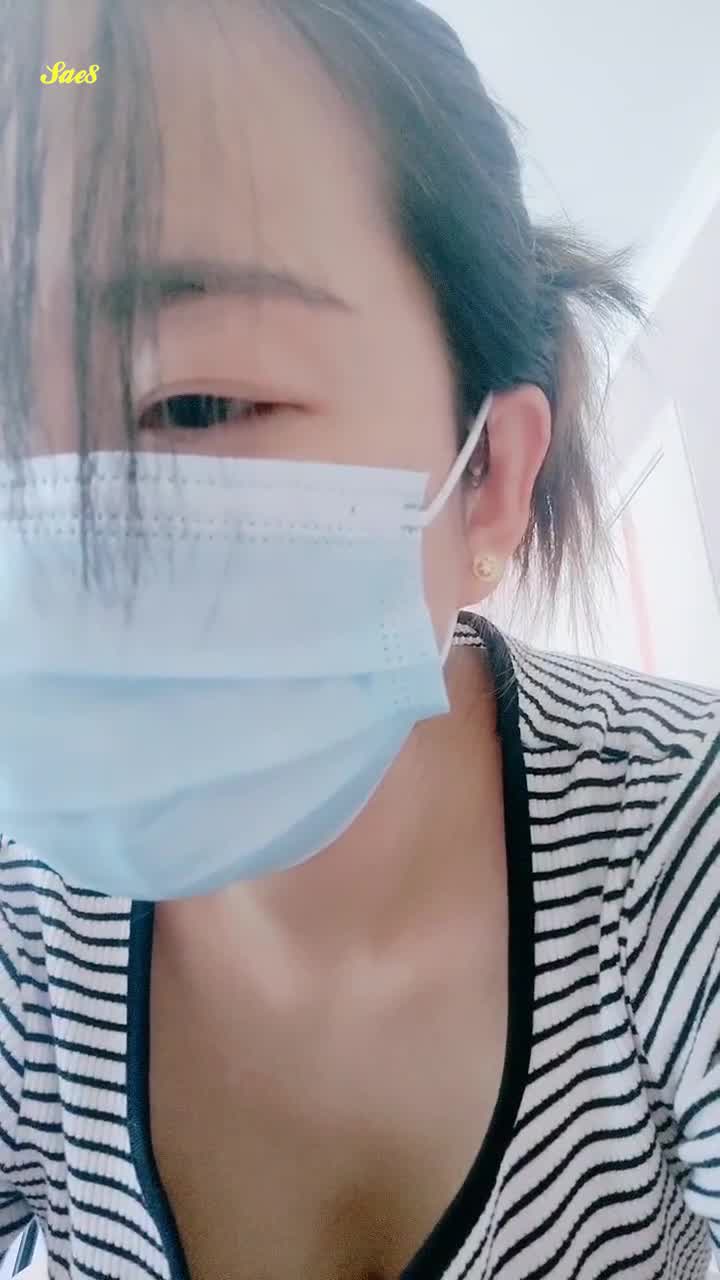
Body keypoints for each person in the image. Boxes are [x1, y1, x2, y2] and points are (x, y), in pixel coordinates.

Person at [0, 1, 718, 1278]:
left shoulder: (681, 837)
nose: (57, 547)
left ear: (490, 473)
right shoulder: (22, 931)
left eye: (196, 402)